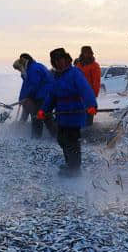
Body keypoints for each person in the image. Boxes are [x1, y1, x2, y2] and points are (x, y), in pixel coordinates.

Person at [38, 48, 97, 177]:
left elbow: (85, 89)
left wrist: (91, 105)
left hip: (75, 113)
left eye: (61, 60)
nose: (59, 63)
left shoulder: (75, 73)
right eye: (56, 61)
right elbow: (51, 95)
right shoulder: (55, 76)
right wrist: (44, 109)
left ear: (66, 59)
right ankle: (70, 164)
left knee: (72, 141)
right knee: (61, 139)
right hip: (62, 115)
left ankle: (75, 169)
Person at [18, 53, 56, 138]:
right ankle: (55, 136)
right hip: (45, 95)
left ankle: (36, 138)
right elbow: (27, 85)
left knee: (38, 117)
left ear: (24, 60)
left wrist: (27, 97)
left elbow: (34, 85)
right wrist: (22, 98)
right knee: (47, 117)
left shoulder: (33, 69)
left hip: (43, 96)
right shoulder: (35, 67)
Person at [75, 46, 101, 125]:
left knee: (88, 119)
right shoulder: (78, 65)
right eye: (85, 52)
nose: (86, 54)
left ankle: (88, 133)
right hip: (78, 96)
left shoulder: (94, 66)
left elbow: (96, 82)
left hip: (88, 96)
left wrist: (93, 96)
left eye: (88, 52)